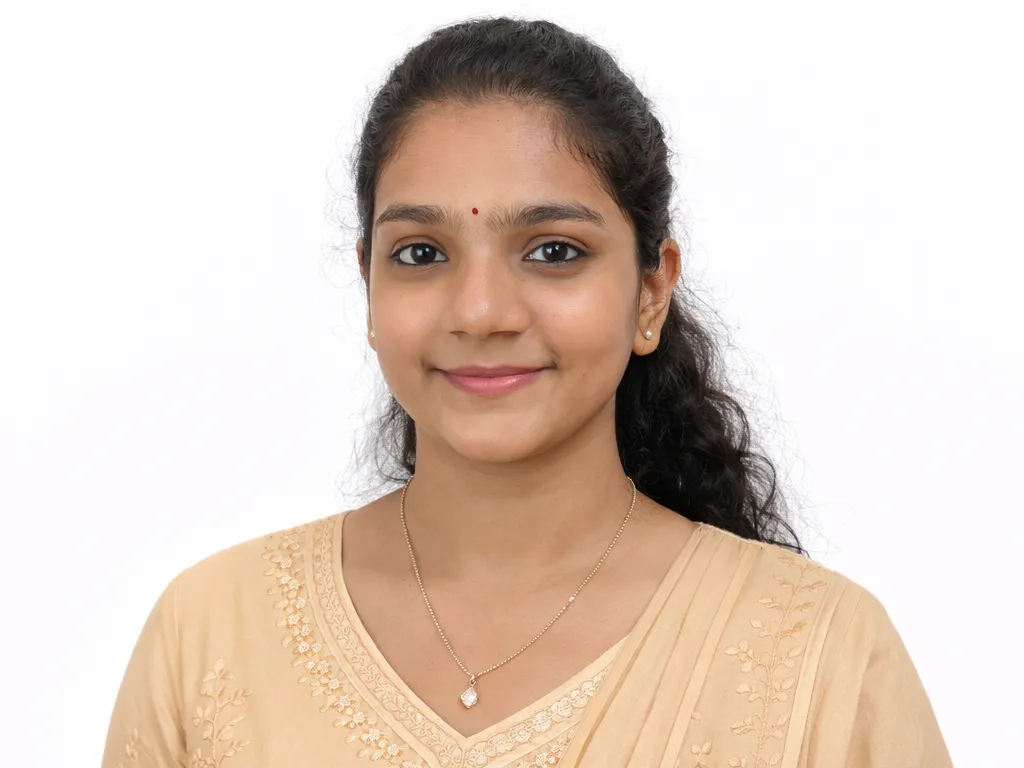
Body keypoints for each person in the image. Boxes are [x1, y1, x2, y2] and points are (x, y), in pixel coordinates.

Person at [101, 16, 952, 768]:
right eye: (421, 254)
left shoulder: (822, 655)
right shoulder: (211, 635)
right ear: (368, 286)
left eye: (553, 252)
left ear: (651, 291)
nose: (481, 312)